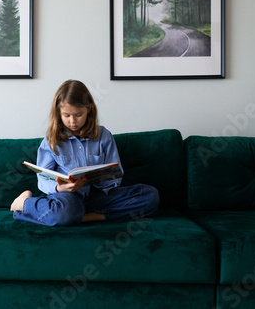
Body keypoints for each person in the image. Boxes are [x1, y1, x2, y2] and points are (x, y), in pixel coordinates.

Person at [10, 79, 159, 226]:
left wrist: (100, 180)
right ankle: (24, 203)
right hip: (68, 198)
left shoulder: (104, 136)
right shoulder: (51, 140)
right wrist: (59, 188)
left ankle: (82, 217)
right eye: (66, 115)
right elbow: (42, 179)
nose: (72, 121)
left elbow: (116, 175)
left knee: (150, 196)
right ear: (58, 113)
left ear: (89, 109)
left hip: (99, 197)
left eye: (78, 114)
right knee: (65, 209)